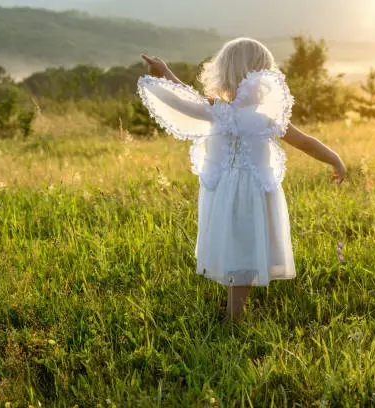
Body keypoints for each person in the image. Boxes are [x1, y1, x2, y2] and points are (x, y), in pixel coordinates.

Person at [138, 37, 346, 322]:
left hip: (228, 192)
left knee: (236, 246)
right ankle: (233, 313)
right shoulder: (257, 116)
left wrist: (166, 73)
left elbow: (187, 98)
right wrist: (335, 158)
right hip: (247, 192)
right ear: (261, 75)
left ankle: (233, 314)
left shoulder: (221, 112)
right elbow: (305, 141)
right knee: (241, 246)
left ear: (225, 73)